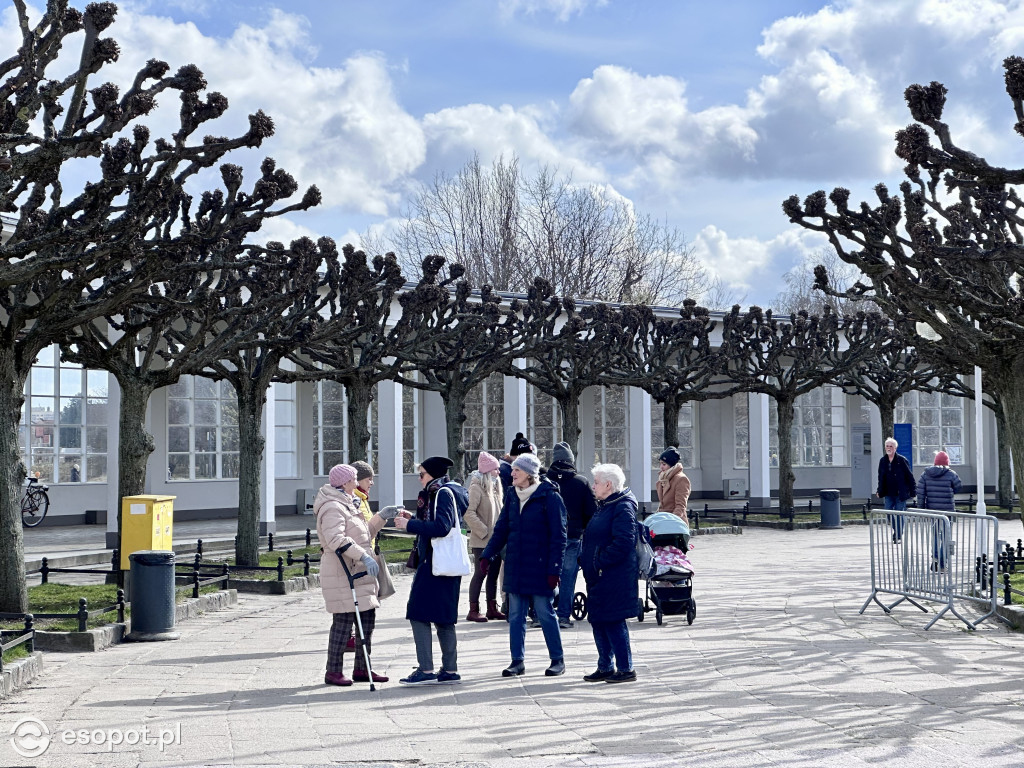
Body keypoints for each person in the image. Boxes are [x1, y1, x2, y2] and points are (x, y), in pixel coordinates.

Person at [481, 453, 567, 677]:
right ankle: (516, 661)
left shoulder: (549, 496)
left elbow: (559, 537)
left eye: (517, 470)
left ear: (529, 473)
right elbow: (501, 529)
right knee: (516, 615)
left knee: (545, 613)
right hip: (516, 565)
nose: (513, 473)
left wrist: (554, 570)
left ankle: (557, 659)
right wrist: (487, 555)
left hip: (540, 567)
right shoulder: (511, 495)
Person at [314, 463, 395, 686]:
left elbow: (362, 534)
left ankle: (363, 668)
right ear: (345, 482)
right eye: (353, 480)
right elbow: (335, 539)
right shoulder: (332, 506)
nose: (356, 483)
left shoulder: (349, 503)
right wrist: (363, 556)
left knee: (367, 620)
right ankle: (333, 671)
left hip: (359, 572)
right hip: (342, 572)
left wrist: (380, 518)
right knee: (343, 621)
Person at [394, 456, 468, 685]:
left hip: (435, 563)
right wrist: (414, 518)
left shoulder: (441, 492)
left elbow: (442, 527)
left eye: (422, 474)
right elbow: (438, 521)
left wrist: (410, 525)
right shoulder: (449, 490)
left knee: (418, 613)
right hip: (445, 564)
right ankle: (449, 670)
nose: (419, 478)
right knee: (444, 617)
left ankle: (426, 669)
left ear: (433, 475)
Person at [581, 463, 639, 684]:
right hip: (599, 574)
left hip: (613, 575)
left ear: (608, 484)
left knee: (613, 620)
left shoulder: (622, 506)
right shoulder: (606, 504)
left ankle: (625, 668)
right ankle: (605, 665)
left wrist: (598, 562)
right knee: (598, 619)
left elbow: (624, 542)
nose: (593, 486)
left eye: (596, 482)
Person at [547, 441, 596, 629]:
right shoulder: (581, 482)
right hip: (572, 535)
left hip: (547, 537)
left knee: (545, 574)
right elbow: (591, 512)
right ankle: (563, 616)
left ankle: (541, 613)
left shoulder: (544, 480)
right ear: (570, 460)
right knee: (568, 576)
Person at [464, 451, 506, 622]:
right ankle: (473, 609)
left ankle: (491, 607)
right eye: (496, 469)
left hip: (495, 541)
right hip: (481, 541)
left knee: (494, 574)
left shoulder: (496, 488)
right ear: (488, 471)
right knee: (480, 573)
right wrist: (484, 531)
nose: (499, 472)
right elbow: (468, 513)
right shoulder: (476, 488)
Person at [916, 450, 962, 570]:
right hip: (948, 511)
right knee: (946, 537)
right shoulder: (951, 474)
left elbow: (920, 493)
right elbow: (958, 487)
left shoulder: (925, 474)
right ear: (947, 462)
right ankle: (942, 562)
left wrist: (921, 509)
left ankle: (935, 559)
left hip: (932, 511)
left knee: (935, 536)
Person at [876, 437, 915, 542]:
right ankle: (897, 531)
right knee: (888, 513)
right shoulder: (883, 461)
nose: (889, 448)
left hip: (900, 492)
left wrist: (913, 491)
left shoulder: (902, 460)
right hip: (888, 492)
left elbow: (909, 476)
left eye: (891, 446)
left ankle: (898, 536)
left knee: (899, 513)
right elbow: (880, 477)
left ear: (895, 448)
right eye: (887, 446)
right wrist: (879, 490)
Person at [656, 447, 691, 548]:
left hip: (675, 525)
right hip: (663, 524)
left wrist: (671, 523)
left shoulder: (681, 479)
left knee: (675, 556)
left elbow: (680, 506)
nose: (661, 467)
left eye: (664, 464)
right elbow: (662, 504)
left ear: (671, 465)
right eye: (660, 464)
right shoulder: (662, 479)